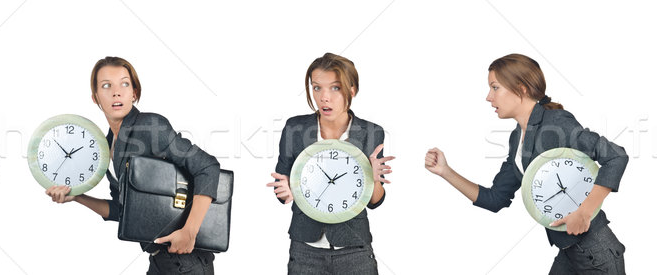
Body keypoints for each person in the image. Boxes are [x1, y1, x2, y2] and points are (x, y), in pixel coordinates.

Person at [424, 53, 627, 274]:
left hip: (596, 253)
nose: (488, 97)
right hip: (570, 251)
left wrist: (585, 212)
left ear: (521, 88)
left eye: (495, 88)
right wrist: (446, 172)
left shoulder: (555, 122)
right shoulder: (516, 139)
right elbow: (496, 198)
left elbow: (616, 157)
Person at [45, 56, 220, 274]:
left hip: (187, 260)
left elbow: (207, 167)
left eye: (124, 84)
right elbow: (124, 211)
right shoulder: (108, 145)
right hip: (159, 260)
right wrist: (77, 196)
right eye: (106, 86)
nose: (116, 92)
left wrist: (189, 232)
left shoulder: (151, 126)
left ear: (134, 93)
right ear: (95, 97)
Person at [267, 53, 394, 274]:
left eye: (335, 88)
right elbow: (282, 187)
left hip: (354, 249)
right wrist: (285, 191)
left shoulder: (371, 132)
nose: (324, 97)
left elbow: (374, 202)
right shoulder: (295, 128)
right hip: (305, 249)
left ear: (351, 90)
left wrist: (372, 179)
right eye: (317, 88)